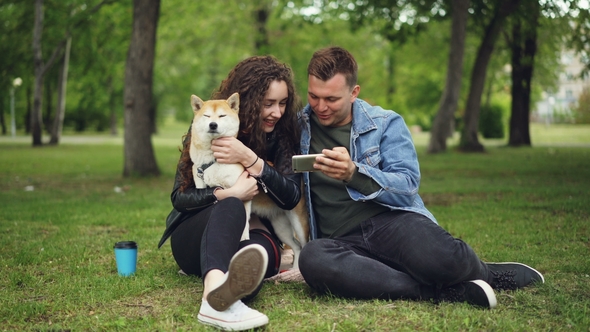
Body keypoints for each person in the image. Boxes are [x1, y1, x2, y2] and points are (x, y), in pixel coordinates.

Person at [297, 46, 544, 309]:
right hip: (340, 241)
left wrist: (354, 174)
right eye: (314, 96)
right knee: (313, 259)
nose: (320, 107)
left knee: (443, 258)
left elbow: (407, 185)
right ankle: (437, 292)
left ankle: (486, 274)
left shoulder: (385, 123)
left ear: (354, 93)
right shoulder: (298, 126)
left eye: (331, 99)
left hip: (391, 222)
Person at [158, 55, 302, 330]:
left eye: (283, 103)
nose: (277, 112)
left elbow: (291, 196)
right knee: (233, 203)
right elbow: (179, 197)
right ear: (246, 101)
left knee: (258, 256)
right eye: (268, 103)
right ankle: (212, 300)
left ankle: (231, 293)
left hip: (253, 236)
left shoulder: (281, 136)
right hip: (195, 235)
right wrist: (226, 194)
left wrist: (250, 158)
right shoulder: (207, 125)